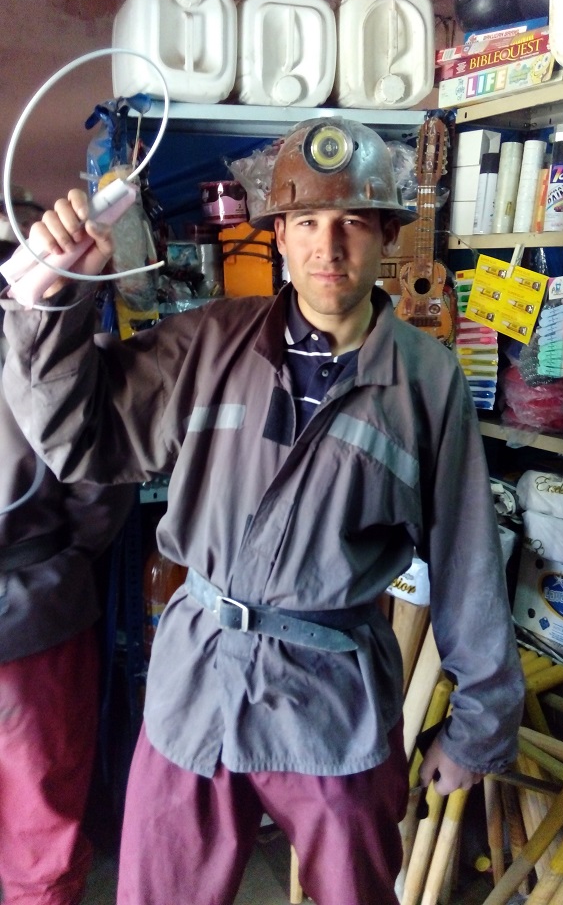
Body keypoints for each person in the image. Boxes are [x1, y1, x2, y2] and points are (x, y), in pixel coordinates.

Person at [1, 119, 525, 905]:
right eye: (305, 222)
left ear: (388, 233)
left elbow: (467, 560)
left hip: (332, 694)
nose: (328, 247)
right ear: (278, 235)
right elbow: (83, 437)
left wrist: (479, 723)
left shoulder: (425, 379)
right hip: (197, 679)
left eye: (352, 222)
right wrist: (54, 300)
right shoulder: (210, 343)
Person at [0, 189, 136, 905]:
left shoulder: (45, 313)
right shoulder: (45, 320)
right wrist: (65, 563)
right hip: (36, 608)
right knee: (41, 822)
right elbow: (99, 480)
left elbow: (98, 467)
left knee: (39, 817)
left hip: (33, 611)